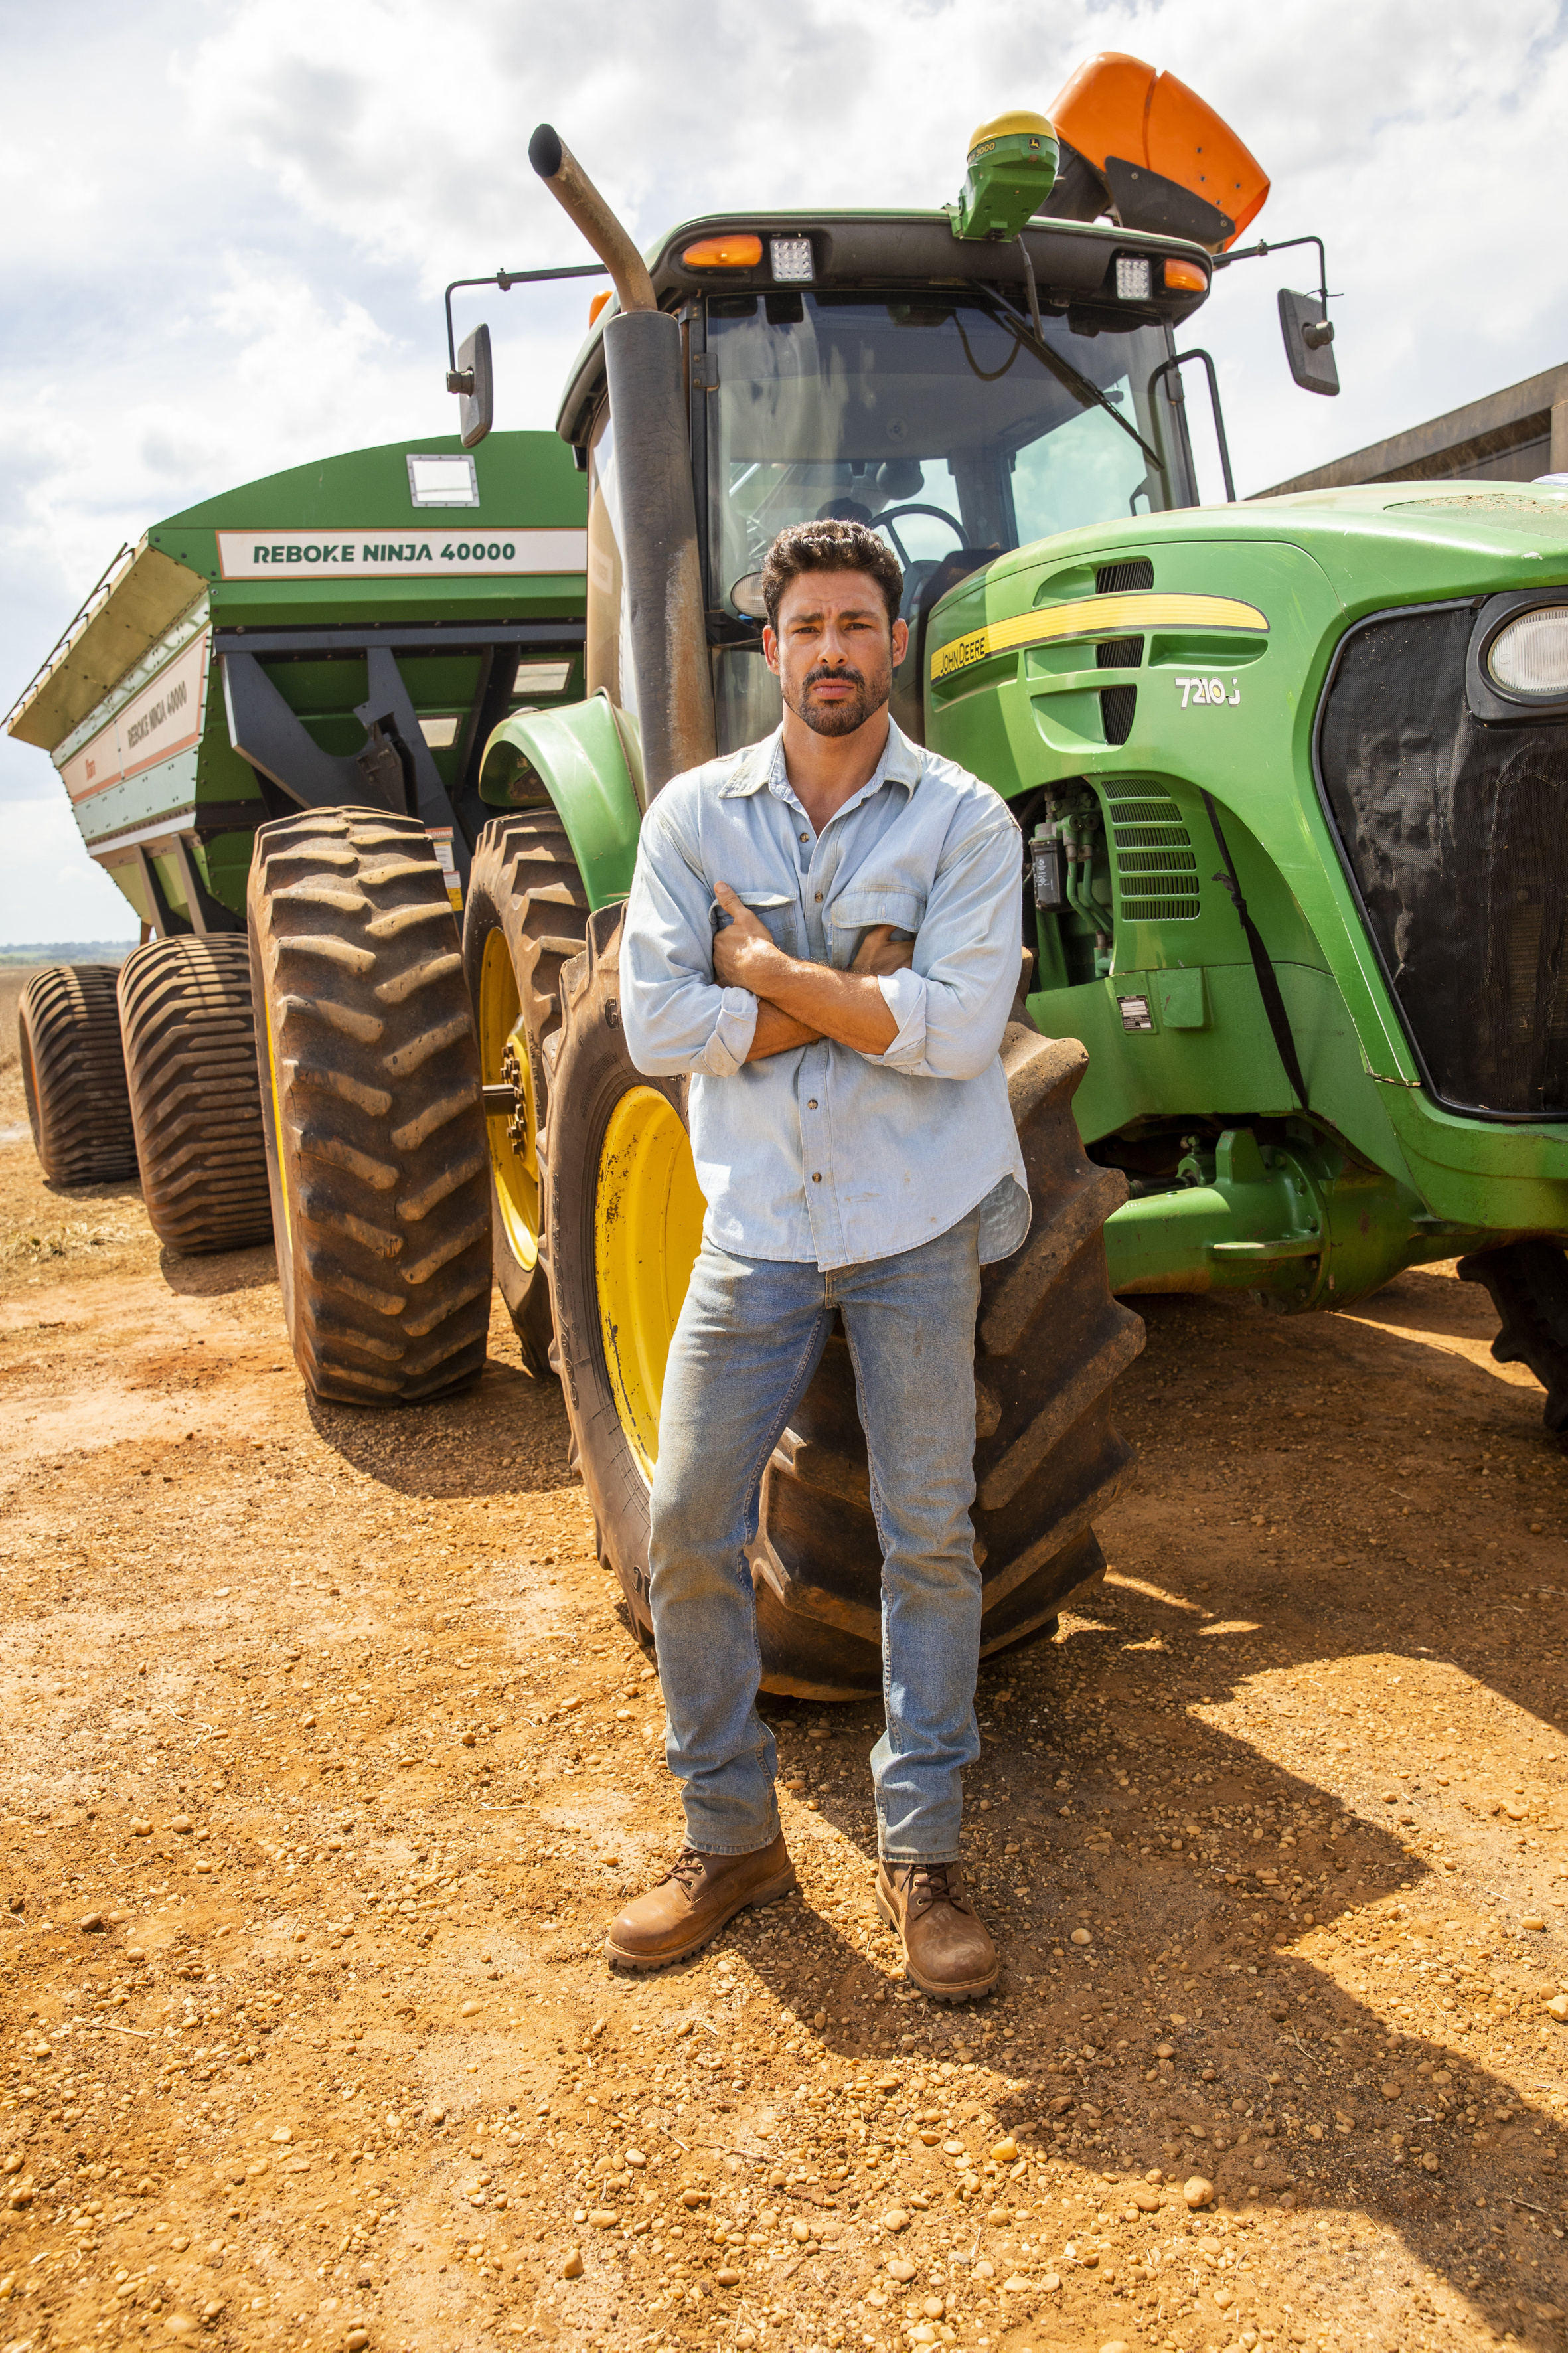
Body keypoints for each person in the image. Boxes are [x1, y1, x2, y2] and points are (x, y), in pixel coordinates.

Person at [606, 517, 1030, 2002]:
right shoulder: (688, 820)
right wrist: (856, 997)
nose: (834, 649)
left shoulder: (966, 822)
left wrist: (768, 974)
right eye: (809, 628)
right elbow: (654, 1031)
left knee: (930, 1539)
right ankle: (731, 1836)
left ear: (891, 642)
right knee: (683, 1525)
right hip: (759, 1230)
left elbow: (960, 1034)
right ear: (770, 648)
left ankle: (922, 1857)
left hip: (915, 1224)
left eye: (858, 623)